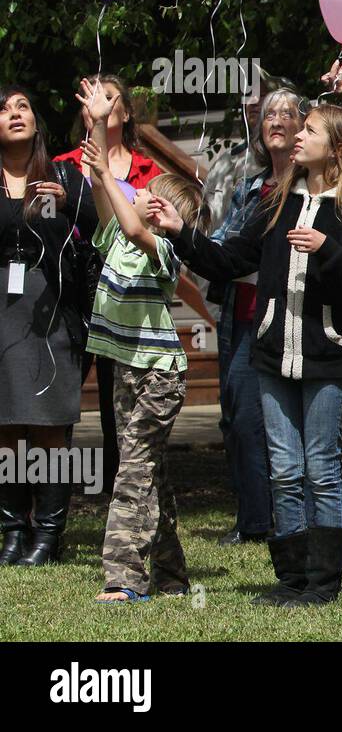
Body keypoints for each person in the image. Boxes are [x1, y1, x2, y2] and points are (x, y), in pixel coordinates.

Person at [150, 103, 342, 607]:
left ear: (337, 148)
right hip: (273, 356)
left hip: (326, 359)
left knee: (320, 465)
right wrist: (179, 233)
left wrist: (327, 249)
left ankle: (323, 584)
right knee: (282, 466)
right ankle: (292, 579)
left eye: (310, 130)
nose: (298, 136)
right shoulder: (276, 201)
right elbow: (230, 258)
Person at [77, 81, 205, 602]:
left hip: (159, 374)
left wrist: (109, 171)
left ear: (166, 213)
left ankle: (123, 578)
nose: (143, 192)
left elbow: (132, 227)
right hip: (126, 367)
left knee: (131, 468)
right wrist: (97, 124)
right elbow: (105, 202)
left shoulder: (163, 251)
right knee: (153, 469)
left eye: (153, 195)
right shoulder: (121, 237)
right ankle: (172, 575)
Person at [54, 72, 214, 487]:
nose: (100, 103)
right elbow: (106, 222)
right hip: (77, 292)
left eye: (109, 98)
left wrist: (105, 174)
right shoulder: (65, 168)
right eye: (93, 98)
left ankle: (120, 494)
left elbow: (142, 232)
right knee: (64, 398)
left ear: (125, 111)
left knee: (121, 413)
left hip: (133, 303)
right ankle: (58, 499)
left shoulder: (148, 173)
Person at [0, 84, 97, 567]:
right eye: (3, 109)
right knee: (5, 427)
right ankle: (14, 530)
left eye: (22, 106)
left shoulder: (62, 174)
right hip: (2, 311)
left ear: (36, 122)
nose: (14, 114)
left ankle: (49, 533)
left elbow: (97, 226)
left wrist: (68, 203)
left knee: (47, 426)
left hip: (51, 309)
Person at [208, 89, 305, 546]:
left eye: (287, 113)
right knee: (238, 419)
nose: (276, 121)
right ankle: (253, 519)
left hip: (287, 318)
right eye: (269, 115)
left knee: (283, 423)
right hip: (238, 319)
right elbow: (225, 250)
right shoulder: (250, 187)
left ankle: (286, 523)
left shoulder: (310, 190)